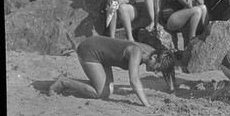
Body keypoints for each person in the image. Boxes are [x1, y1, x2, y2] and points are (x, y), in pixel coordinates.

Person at [47, 35, 177, 107]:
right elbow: (134, 80)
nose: (154, 71)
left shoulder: (152, 51)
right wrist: (147, 104)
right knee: (98, 93)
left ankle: (81, 83)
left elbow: (167, 66)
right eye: (156, 68)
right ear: (154, 57)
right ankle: (64, 82)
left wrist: (172, 87)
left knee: (107, 92)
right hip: (90, 50)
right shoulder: (137, 52)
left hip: (102, 54)